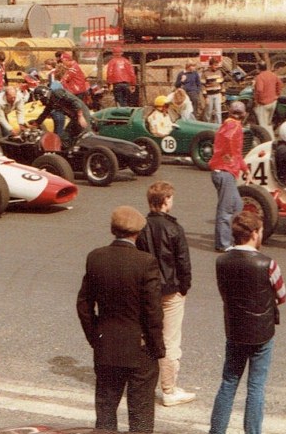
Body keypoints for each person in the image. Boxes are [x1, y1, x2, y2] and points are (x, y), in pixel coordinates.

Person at [76, 205, 165, 433]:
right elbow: (153, 311)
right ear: (137, 233)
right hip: (140, 349)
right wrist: (158, 348)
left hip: (107, 346)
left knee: (105, 412)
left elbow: (84, 305)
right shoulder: (145, 263)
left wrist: (96, 337)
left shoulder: (96, 257)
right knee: (141, 415)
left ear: (113, 230)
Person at [209, 211, 286, 434]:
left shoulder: (222, 260)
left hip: (234, 329)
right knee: (256, 387)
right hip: (262, 331)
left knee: (229, 382)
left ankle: (217, 430)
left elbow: (224, 292)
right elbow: (282, 295)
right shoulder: (268, 264)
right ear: (254, 234)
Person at [135, 181, 196, 408]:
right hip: (171, 291)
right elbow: (183, 263)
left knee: (147, 336)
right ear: (166, 201)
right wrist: (184, 288)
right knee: (170, 341)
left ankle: (141, 383)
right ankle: (169, 390)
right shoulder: (174, 228)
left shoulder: (140, 227)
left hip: (147, 290)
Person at [209, 101, 249, 252]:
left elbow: (235, 152)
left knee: (238, 205)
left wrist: (243, 168)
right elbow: (234, 148)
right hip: (225, 171)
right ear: (243, 114)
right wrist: (230, 158)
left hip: (224, 170)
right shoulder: (234, 126)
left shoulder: (228, 124)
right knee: (225, 210)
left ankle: (233, 238)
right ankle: (223, 244)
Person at [253, 61, 283, 141]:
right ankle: (272, 140)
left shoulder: (260, 77)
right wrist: (277, 94)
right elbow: (280, 84)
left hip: (263, 103)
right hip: (273, 102)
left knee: (263, 125)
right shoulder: (272, 74)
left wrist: (256, 100)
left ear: (258, 68)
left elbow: (259, 90)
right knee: (268, 123)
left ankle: (267, 142)